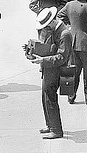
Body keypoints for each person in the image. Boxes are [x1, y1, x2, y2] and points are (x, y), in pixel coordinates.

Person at [28, 7, 73, 139]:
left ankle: (56, 130)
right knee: (46, 97)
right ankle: (50, 125)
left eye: (46, 26)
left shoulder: (64, 33)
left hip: (57, 70)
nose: (45, 29)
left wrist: (43, 60)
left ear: (53, 21)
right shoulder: (54, 30)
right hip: (49, 69)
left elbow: (62, 57)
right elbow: (50, 48)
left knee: (51, 99)